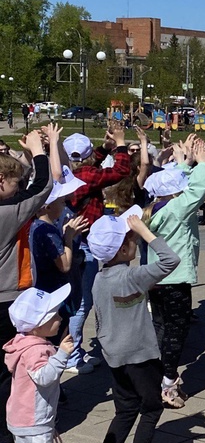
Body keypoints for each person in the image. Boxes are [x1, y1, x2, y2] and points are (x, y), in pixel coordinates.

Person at [83, 209, 180, 443]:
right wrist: (146, 232)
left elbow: (102, 317)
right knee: (151, 408)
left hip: (115, 356)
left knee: (125, 409)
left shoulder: (99, 279)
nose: (136, 242)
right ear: (124, 249)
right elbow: (171, 260)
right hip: (141, 356)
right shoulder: (132, 277)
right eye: (132, 239)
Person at [143, 136, 205, 409]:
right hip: (175, 278)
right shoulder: (176, 208)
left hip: (156, 278)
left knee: (160, 327)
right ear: (174, 193)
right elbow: (197, 191)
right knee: (176, 330)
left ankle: (157, 375)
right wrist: (203, 164)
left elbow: (175, 184)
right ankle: (168, 381)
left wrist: (185, 163)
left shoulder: (155, 207)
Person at [0, 131, 53, 443]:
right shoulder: (6, 214)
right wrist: (37, 151)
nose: (16, 193)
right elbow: (42, 188)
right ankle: (5, 434)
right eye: (13, 186)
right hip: (3, 298)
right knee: (6, 369)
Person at [65, 126, 131, 375]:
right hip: (83, 242)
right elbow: (121, 171)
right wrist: (121, 145)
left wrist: (104, 149)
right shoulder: (86, 175)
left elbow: (88, 162)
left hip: (72, 239)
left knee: (75, 299)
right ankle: (71, 356)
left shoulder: (68, 172)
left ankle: (73, 352)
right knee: (81, 303)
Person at [4, 285, 73, 443]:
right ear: (37, 326)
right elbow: (44, 377)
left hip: (22, 417)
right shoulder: (36, 350)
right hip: (34, 420)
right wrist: (62, 355)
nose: (59, 319)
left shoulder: (23, 343)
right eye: (54, 317)